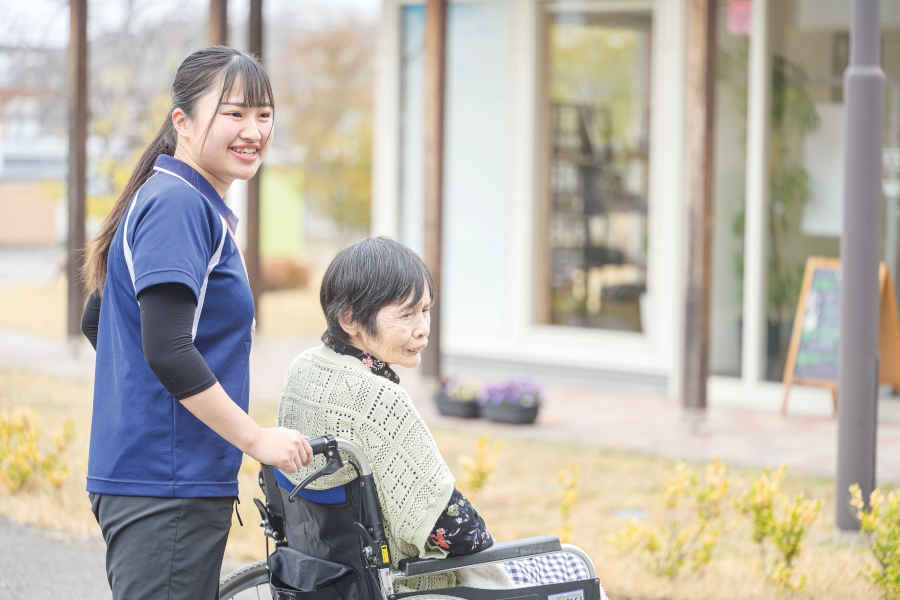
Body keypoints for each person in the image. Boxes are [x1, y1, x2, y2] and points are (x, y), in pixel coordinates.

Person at [80, 46, 313, 600]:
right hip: (167, 485)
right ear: (181, 122)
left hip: (160, 477)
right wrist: (255, 439)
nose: (253, 129)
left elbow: (103, 322)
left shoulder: (177, 198)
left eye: (263, 113)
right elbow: (165, 348)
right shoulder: (180, 205)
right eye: (233, 113)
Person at [277, 237, 598, 593]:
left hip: (321, 569)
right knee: (575, 567)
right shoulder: (379, 398)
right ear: (350, 318)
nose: (423, 328)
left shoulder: (303, 369)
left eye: (426, 310)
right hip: (406, 584)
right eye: (406, 314)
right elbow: (457, 531)